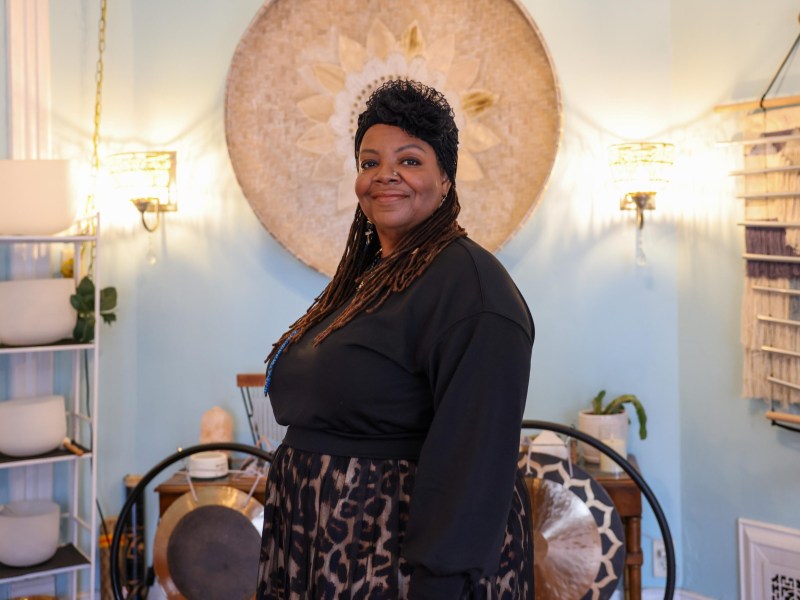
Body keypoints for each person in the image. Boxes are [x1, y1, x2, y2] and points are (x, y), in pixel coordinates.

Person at [256, 79, 535, 599]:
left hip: (392, 561)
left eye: (410, 160)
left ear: (446, 178)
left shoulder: (472, 288)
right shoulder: (371, 277)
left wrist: (439, 584)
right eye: (369, 161)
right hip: (328, 549)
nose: (385, 175)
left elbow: (473, 460)